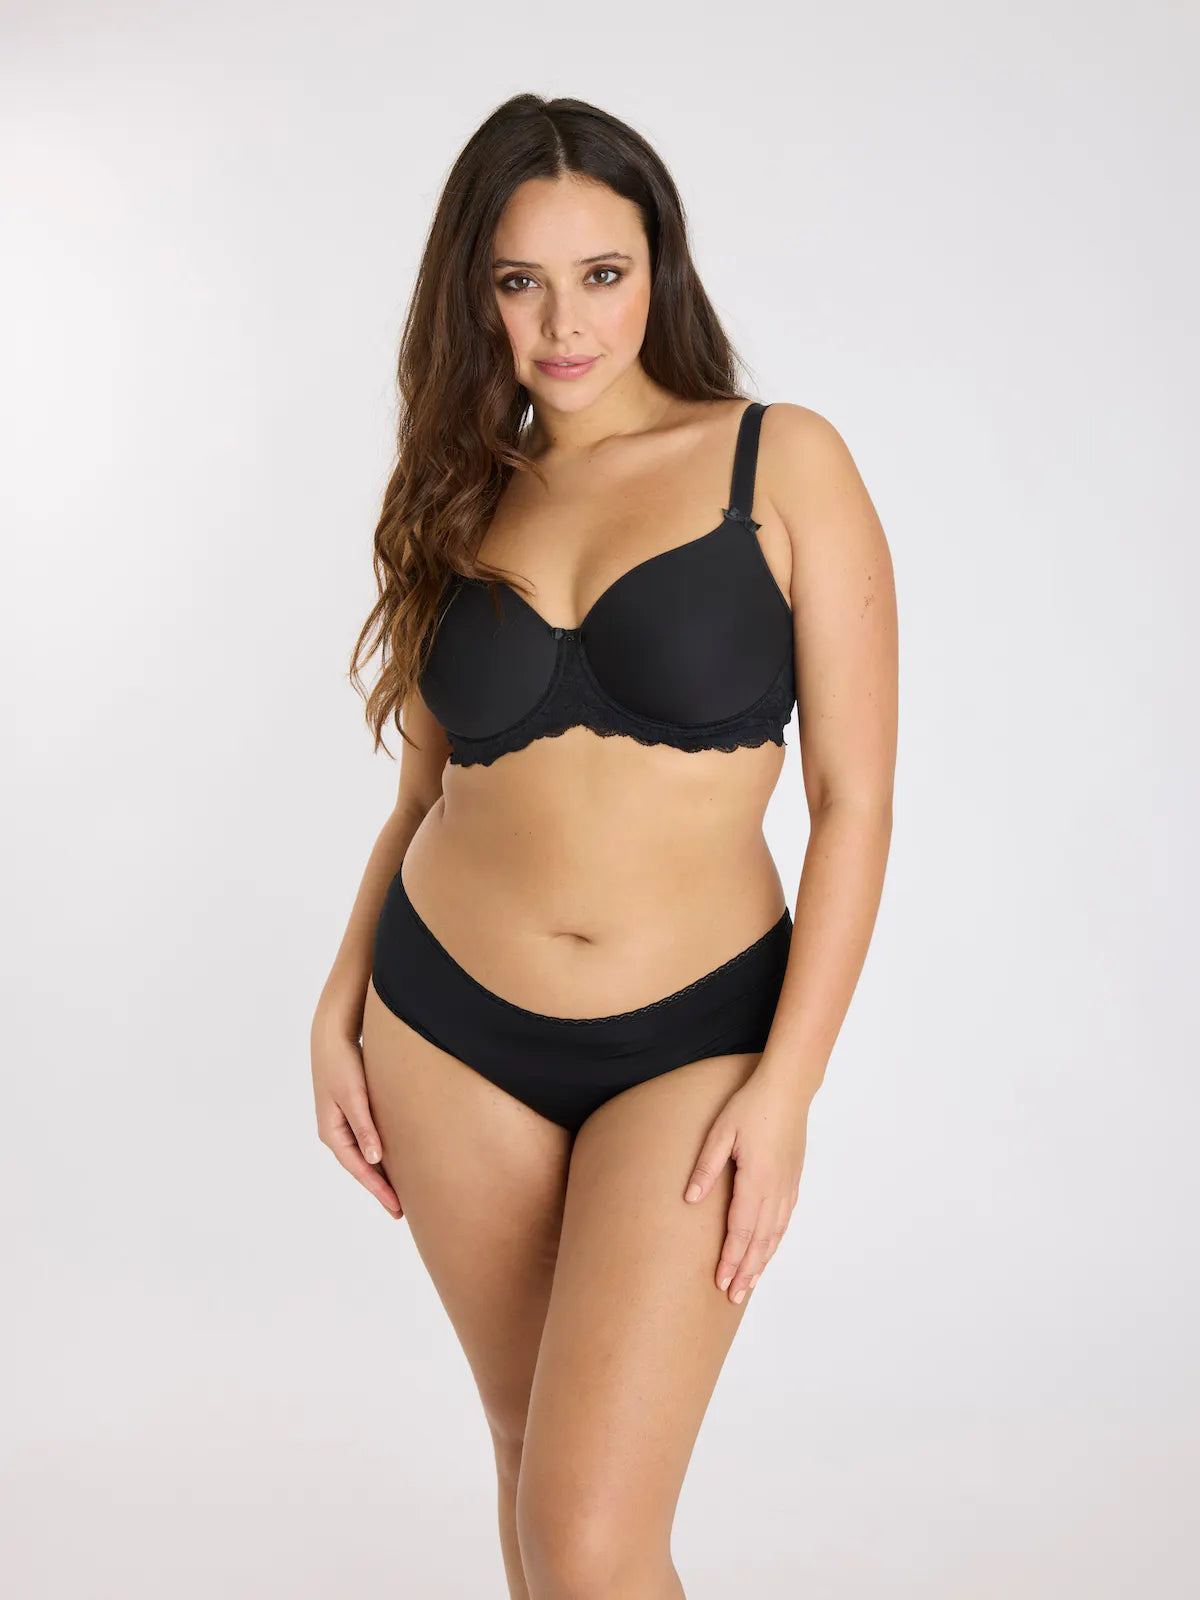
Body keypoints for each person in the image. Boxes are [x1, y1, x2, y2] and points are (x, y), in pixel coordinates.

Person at [310, 92, 898, 1600]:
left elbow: (854, 802)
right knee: (531, 1477)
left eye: (602, 274)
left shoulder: (780, 462)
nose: (564, 323)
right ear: (473, 296)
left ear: (660, 271)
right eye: (520, 281)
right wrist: (337, 1004)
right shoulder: (459, 497)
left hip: (694, 1041)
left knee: (589, 1536)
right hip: (444, 1030)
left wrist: (789, 1087)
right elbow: (423, 794)